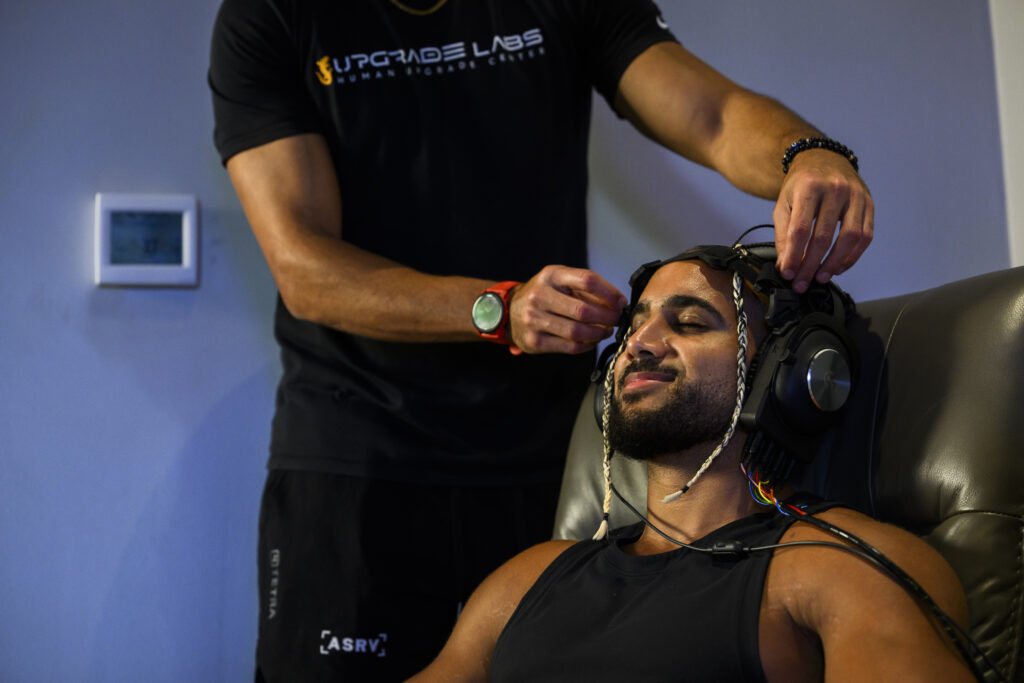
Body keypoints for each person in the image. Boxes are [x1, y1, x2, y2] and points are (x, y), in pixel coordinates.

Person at [207, 0, 874, 679]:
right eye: (643, 319)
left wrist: (808, 154)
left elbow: (714, 114)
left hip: (540, 452)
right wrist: (500, 308)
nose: (643, 342)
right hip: (359, 451)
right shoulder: (275, 15)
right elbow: (304, 269)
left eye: (691, 320)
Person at [409, 248, 975, 682]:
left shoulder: (838, 568)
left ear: (789, 376)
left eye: (690, 323)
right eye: (634, 326)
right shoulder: (528, 578)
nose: (639, 344)